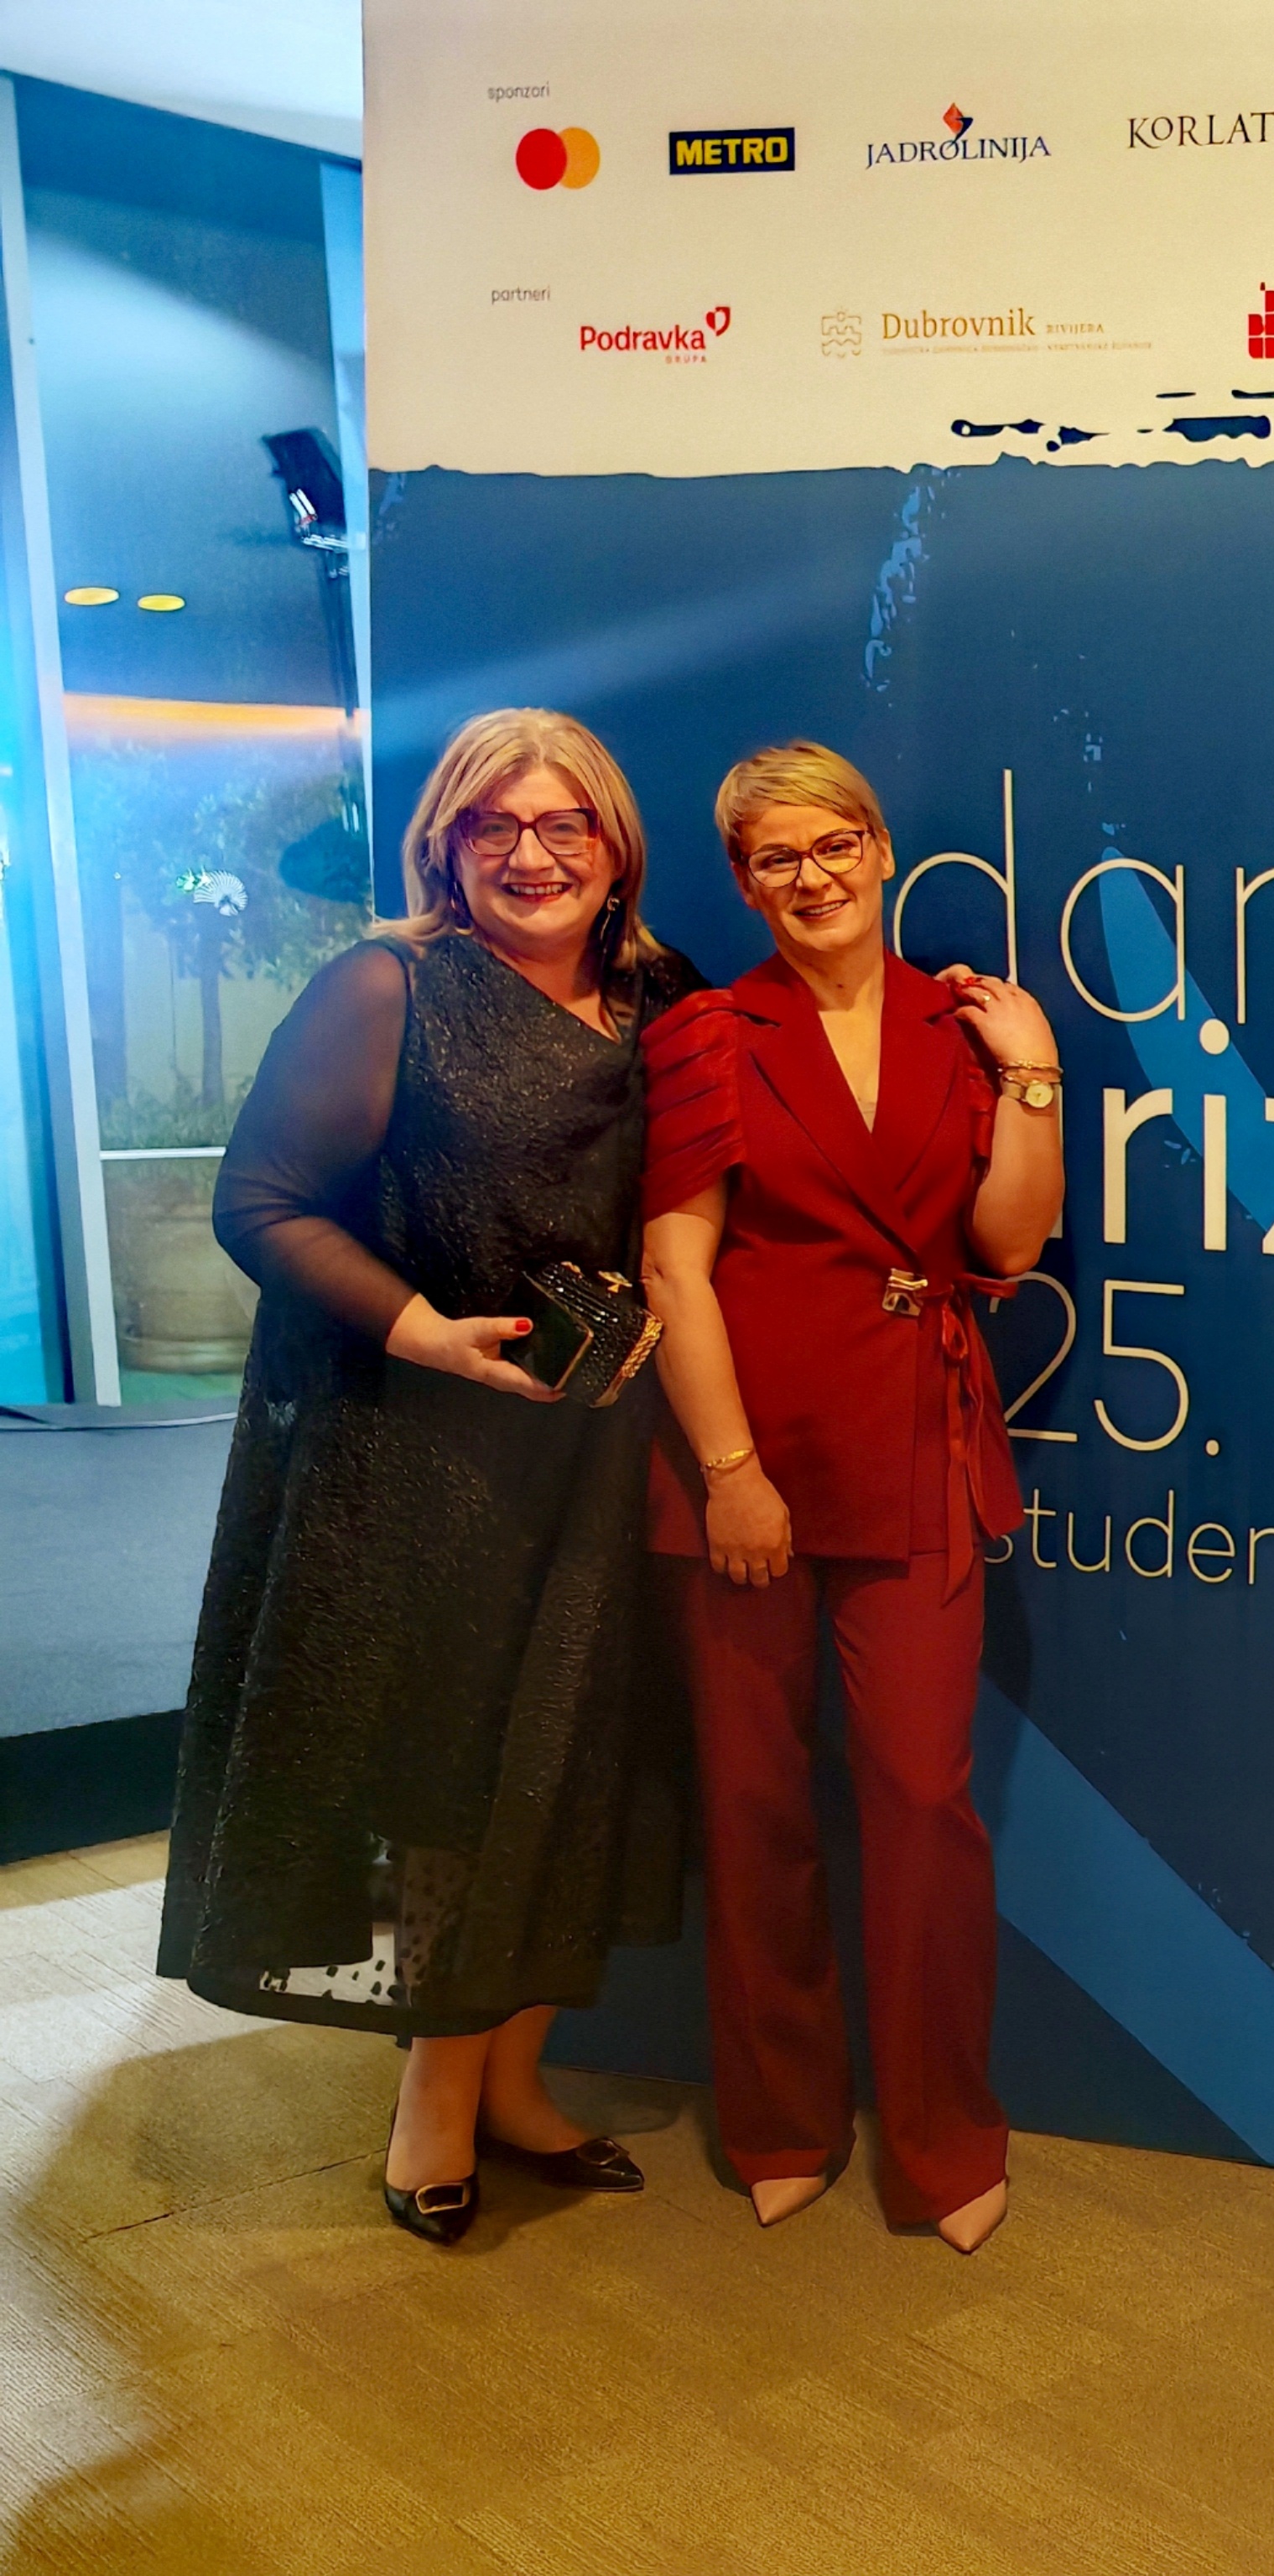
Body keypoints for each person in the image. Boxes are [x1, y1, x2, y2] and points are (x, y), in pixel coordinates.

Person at [160, 708, 700, 2245]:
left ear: (614, 846)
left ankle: (516, 2081)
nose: (531, 853)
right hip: (421, 1464)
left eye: (563, 823)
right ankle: (434, 2104)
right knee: (448, 1780)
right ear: (445, 848)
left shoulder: (662, 995)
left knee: (571, 1770)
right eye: (493, 825)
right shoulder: (386, 986)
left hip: (594, 1461)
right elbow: (259, 1202)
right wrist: (422, 1331)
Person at [638, 741, 1061, 2253]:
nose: (810, 877)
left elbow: (1009, 1246)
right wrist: (732, 1476)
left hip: (919, 1448)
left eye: (833, 846)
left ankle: (944, 2138)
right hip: (745, 1466)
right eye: (776, 858)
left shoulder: (965, 1027)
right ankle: (779, 2119)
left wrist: (1034, 1074)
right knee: (755, 1803)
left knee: (922, 1803)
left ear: (880, 850)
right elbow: (674, 1268)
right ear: (743, 880)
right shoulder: (708, 1033)